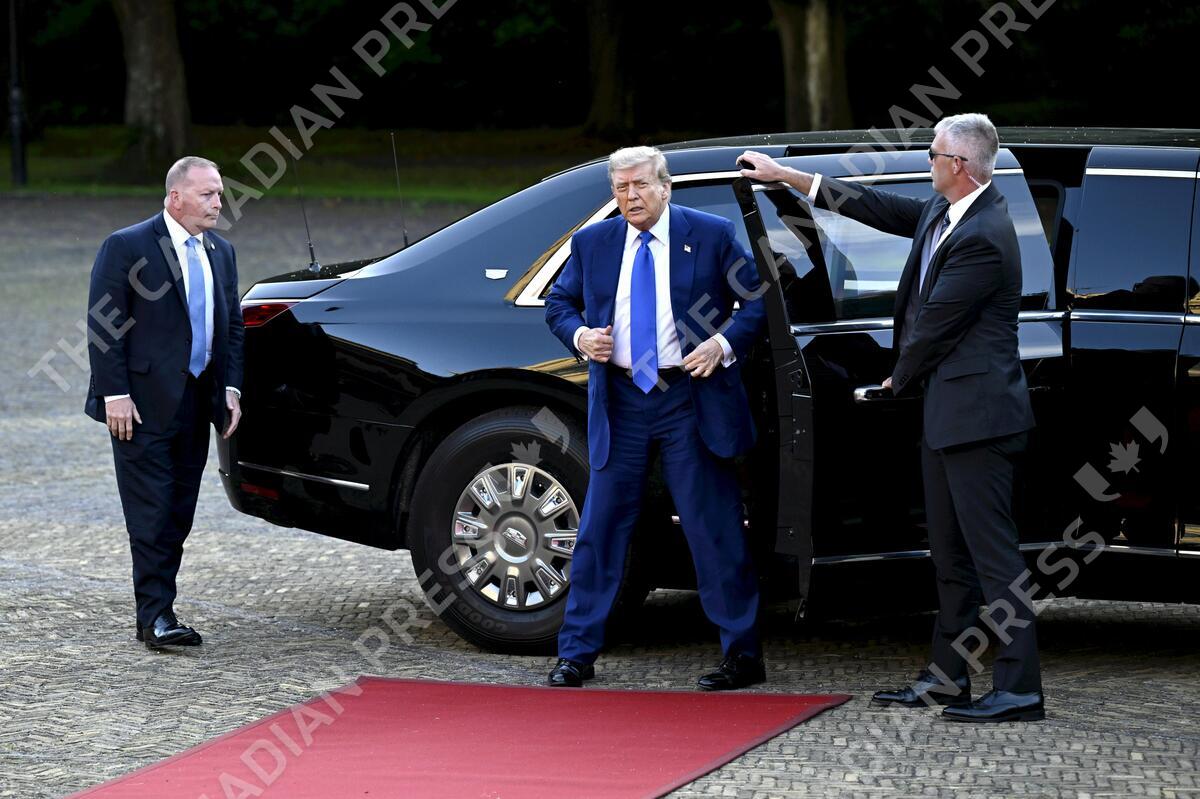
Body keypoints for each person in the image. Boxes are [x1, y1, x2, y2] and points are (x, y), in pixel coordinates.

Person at [739, 113, 1043, 722]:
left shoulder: (984, 234)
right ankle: (946, 679)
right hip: (948, 419)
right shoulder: (945, 212)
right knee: (950, 559)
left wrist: (891, 380)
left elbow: (936, 325)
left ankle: (1019, 689)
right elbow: (871, 206)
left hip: (979, 423)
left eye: (933, 154)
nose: (928, 161)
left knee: (994, 560)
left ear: (958, 165)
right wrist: (786, 177)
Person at [544, 146, 768, 690]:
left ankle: (742, 655)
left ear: (665, 187)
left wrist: (722, 344)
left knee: (711, 527)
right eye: (621, 188)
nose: (631, 197)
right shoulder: (593, 242)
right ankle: (576, 654)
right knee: (599, 530)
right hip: (621, 400)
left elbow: (757, 300)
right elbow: (559, 303)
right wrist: (580, 336)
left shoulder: (710, 234)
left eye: (641, 185)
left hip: (689, 396)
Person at [85, 156, 244, 648]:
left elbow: (232, 327)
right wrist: (114, 394)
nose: (217, 203)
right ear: (176, 197)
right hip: (139, 405)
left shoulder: (221, 251)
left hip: (198, 400)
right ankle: (155, 617)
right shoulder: (128, 245)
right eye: (207, 194)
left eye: (219, 194)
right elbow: (104, 324)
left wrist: (231, 389)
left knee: (178, 510)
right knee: (150, 510)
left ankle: (159, 609)